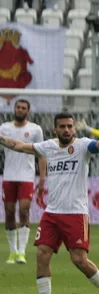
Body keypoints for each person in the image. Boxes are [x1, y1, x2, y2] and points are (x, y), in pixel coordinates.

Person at [0, 114, 99, 294]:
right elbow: (19, 146)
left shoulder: (83, 146)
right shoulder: (48, 147)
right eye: (62, 126)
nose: (67, 130)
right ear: (55, 129)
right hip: (52, 213)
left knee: (79, 260)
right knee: (42, 254)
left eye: (70, 126)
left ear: (74, 129)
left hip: (76, 213)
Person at [0, 99, 44, 265]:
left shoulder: (35, 129)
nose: (20, 110)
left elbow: (41, 154)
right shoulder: (4, 128)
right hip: (9, 176)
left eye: (23, 108)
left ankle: (21, 252)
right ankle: (12, 251)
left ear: (28, 111)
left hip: (27, 176)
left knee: (24, 211)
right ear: (14, 109)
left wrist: (42, 178)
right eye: (18, 107)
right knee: (9, 212)